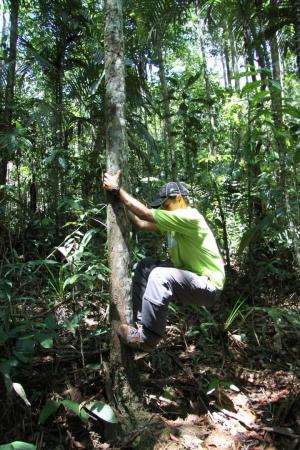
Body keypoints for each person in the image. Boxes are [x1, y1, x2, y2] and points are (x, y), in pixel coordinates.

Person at [103, 171, 225, 352]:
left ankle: (147, 339)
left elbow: (145, 214)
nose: (164, 210)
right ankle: (139, 326)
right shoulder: (174, 223)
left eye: (166, 205)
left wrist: (117, 190)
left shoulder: (190, 217)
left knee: (160, 276)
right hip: (191, 277)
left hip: (208, 286)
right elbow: (140, 223)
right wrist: (120, 201)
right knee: (145, 267)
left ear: (179, 199)